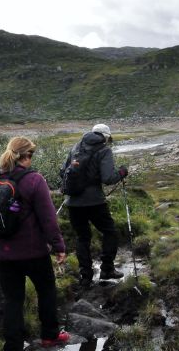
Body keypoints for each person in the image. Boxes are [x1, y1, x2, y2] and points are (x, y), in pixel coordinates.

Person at [0, 137, 69, 350]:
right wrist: (59, 247)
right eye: (31, 155)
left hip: (0, 255)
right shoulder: (35, 180)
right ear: (27, 155)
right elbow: (48, 220)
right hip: (33, 253)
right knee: (46, 290)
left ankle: (13, 346)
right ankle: (50, 336)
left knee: (12, 299)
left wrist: (1, 234)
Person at [62, 123, 128, 288]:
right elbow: (108, 178)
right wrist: (121, 172)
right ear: (106, 136)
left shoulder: (76, 147)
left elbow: (63, 172)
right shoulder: (104, 150)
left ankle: (85, 277)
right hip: (95, 202)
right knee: (110, 232)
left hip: (73, 202)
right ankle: (107, 269)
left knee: (82, 237)